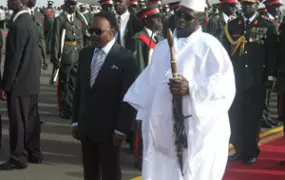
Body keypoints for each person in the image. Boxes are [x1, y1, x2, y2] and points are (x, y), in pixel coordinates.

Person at [123, 0, 236, 179]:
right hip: (165, 127)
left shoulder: (210, 46)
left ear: (201, 20)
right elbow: (149, 83)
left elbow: (224, 85)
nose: (181, 19)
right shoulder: (162, 48)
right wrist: (140, 115)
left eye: (188, 16)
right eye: (179, 14)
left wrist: (190, 88)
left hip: (196, 129)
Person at [72, 11, 139, 180]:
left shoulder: (126, 59)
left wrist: (121, 129)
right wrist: (75, 120)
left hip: (110, 131)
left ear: (113, 31)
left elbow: (128, 98)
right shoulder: (85, 54)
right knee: (90, 172)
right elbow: (79, 90)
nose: (93, 35)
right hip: (86, 127)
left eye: (98, 31)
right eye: (91, 31)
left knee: (110, 173)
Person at [225, 0, 277, 164]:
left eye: (250, 4)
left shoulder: (266, 25)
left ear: (257, 6)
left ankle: (251, 151)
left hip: (256, 79)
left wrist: (270, 76)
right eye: (244, 4)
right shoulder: (233, 25)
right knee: (235, 115)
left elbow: (272, 53)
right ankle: (239, 149)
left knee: (252, 117)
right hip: (236, 79)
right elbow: (226, 52)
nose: (246, 7)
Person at [0, 0, 42, 170]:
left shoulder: (19, 24)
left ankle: (18, 156)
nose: (8, 1)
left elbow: (13, 59)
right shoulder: (30, 21)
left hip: (19, 81)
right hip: (31, 80)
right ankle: (34, 152)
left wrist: (5, 85)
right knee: (31, 120)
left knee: (18, 121)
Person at [132, 5, 163, 170]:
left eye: (159, 18)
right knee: (142, 125)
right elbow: (140, 66)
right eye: (155, 18)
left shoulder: (159, 37)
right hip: (147, 88)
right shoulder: (140, 38)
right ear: (146, 20)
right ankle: (139, 157)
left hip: (158, 88)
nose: (159, 20)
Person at [51, 0, 84, 119]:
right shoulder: (59, 20)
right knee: (64, 84)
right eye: (71, 4)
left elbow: (80, 39)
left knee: (73, 83)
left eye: (75, 4)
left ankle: (71, 107)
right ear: (65, 5)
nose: (73, 6)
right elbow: (55, 39)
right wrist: (55, 58)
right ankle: (64, 108)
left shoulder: (77, 21)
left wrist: (81, 53)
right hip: (65, 54)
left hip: (76, 54)